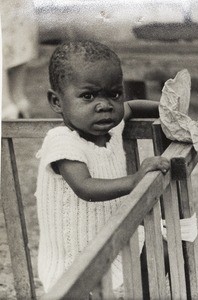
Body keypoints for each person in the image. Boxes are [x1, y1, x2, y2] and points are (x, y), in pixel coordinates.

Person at [35, 40, 170, 295]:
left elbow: (133, 107)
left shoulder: (112, 125)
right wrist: (135, 180)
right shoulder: (62, 140)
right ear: (56, 102)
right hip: (74, 254)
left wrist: (166, 111)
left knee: (159, 249)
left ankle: (142, 294)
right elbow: (85, 187)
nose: (105, 105)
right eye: (88, 96)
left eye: (114, 94)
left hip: (111, 237)